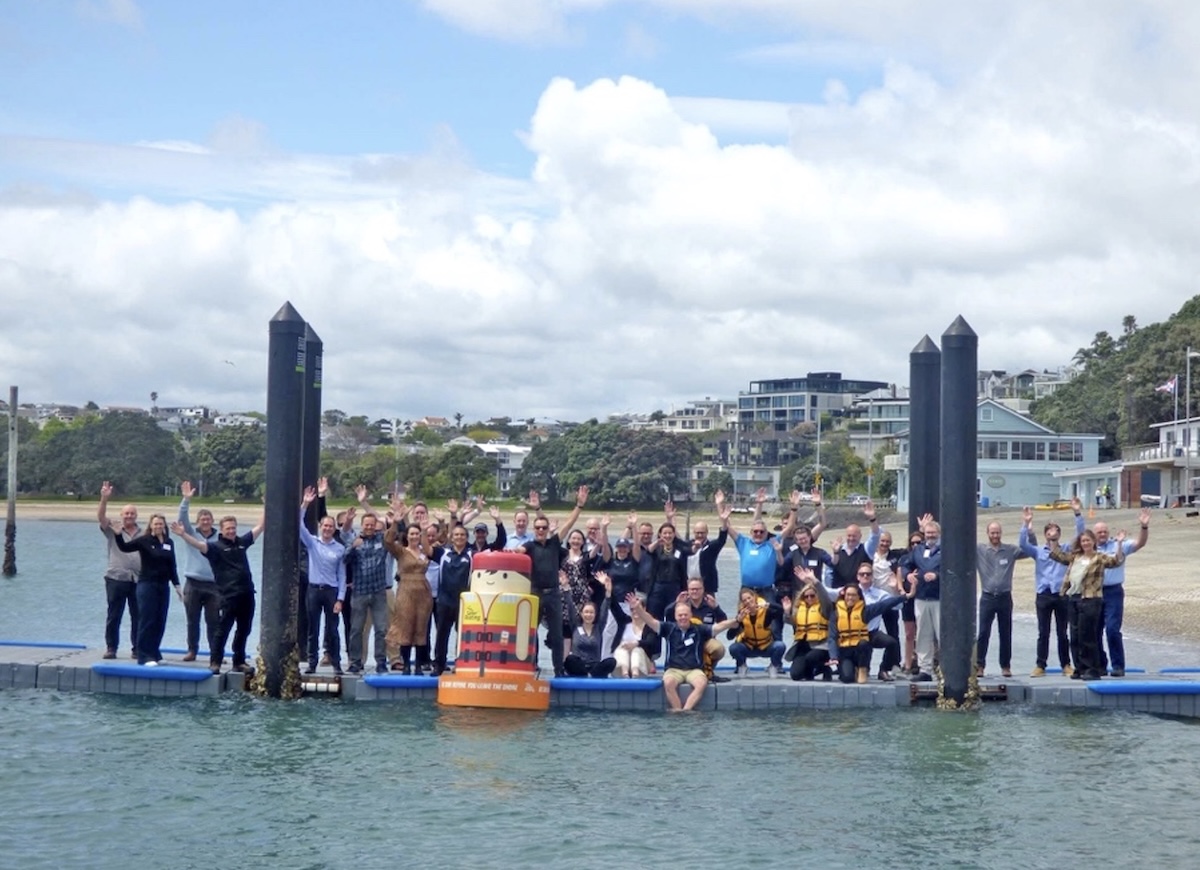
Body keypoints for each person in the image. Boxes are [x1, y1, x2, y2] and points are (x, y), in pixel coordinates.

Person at [172, 512, 265, 675]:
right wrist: (183, 534)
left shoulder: (242, 542)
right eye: (228, 528)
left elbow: (260, 527)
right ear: (221, 531)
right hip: (228, 596)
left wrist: (266, 505)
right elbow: (199, 545)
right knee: (222, 630)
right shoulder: (215, 547)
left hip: (247, 594)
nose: (231, 531)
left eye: (233, 528)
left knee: (244, 629)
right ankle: (215, 662)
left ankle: (239, 661)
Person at [519, 485, 589, 677]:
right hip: (535, 593)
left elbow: (569, 522)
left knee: (557, 635)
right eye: (538, 528)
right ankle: (530, 666)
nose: (541, 530)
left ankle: (559, 670)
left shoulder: (554, 543)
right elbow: (517, 553)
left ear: (548, 529)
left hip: (553, 594)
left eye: (544, 528)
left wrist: (579, 506)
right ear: (534, 530)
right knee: (530, 633)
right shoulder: (529, 545)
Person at [627, 593, 739, 711]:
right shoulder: (669, 628)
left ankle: (686, 710)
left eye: (686, 615)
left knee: (702, 683)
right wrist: (638, 608)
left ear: (690, 615)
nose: (683, 617)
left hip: (694, 670)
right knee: (668, 683)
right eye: (680, 615)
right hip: (674, 669)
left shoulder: (699, 629)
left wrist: (735, 620)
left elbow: (718, 627)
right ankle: (677, 710)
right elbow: (650, 621)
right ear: (675, 616)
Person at [1049, 529, 1126, 681]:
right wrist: (1053, 539)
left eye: (1088, 540)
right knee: (1075, 636)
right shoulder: (1075, 557)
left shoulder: (1099, 558)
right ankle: (1080, 667)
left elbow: (1116, 561)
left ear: (1093, 542)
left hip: (1090, 599)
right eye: (1083, 541)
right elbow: (1058, 555)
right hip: (1073, 598)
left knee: (1088, 636)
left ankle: (1092, 669)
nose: (1085, 543)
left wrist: (1119, 544)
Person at [1018, 505, 1085, 677]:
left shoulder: (1066, 550)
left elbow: (1080, 535)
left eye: (1055, 531)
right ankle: (1041, 665)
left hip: (1062, 595)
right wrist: (1026, 523)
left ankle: (1066, 664)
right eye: (1049, 531)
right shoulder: (1038, 551)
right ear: (1045, 534)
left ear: (1059, 534)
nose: (1052, 533)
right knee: (1043, 632)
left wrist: (1077, 514)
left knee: (1063, 632)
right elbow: (1022, 544)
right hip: (1043, 595)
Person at [112, 513, 183, 666]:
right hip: (147, 585)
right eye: (156, 524)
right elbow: (125, 548)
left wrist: (177, 586)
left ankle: (154, 652)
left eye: (161, 524)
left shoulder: (169, 542)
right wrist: (118, 535)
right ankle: (143, 655)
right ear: (150, 525)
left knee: (160, 620)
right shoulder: (144, 541)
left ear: (164, 526)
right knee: (147, 620)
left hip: (163, 586)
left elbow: (172, 566)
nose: (158, 527)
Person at [1093, 510, 1150, 677]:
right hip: (1094, 592)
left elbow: (1140, 543)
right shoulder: (1089, 547)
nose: (1102, 534)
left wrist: (1144, 526)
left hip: (1114, 592)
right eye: (1099, 532)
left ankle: (1118, 666)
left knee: (1112, 629)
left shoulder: (1119, 545)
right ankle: (1100, 665)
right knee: (1094, 631)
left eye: (1104, 531)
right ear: (1094, 534)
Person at [298, 487, 347, 676]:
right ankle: (312, 663)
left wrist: (340, 599)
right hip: (313, 590)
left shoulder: (339, 549)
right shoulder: (312, 543)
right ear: (320, 526)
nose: (327, 529)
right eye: (325, 526)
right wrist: (306, 504)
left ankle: (336, 663)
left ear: (334, 530)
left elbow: (342, 575)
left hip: (331, 592)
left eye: (330, 527)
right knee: (313, 628)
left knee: (332, 630)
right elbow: (299, 525)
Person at [975, 520, 1030, 678]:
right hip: (987, 597)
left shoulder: (1010, 550)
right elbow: (961, 544)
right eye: (992, 533)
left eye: (997, 532)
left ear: (1001, 533)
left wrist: (1027, 528)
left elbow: (1029, 550)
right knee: (983, 632)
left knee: (1005, 633)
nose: (995, 535)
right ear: (988, 533)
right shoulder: (980, 549)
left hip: (1005, 597)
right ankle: (980, 665)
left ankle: (1005, 666)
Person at [383, 506, 435, 674]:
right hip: (405, 591)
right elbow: (388, 541)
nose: (414, 536)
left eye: (417, 534)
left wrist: (426, 531)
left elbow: (435, 548)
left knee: (421, 628)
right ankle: (406, 664)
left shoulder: (424, 551)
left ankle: (419, 665)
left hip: (423, 592)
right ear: (407, 535)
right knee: (405, 627)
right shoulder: (401, 551)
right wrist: (395, 523)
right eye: (411, 534)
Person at [721, 487, 796, 603]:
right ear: (751, 532)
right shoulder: (743, 542)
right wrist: (719, 504)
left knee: (770, 620)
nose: (758, 534)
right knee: (743, 620)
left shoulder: (772, 543)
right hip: (746, 590)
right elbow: (727, 526)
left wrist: (794, 508)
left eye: (762, 532)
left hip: (766, 591)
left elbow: (790, 527)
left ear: (766, 533)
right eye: (755, 531)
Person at [828, 581, 908, 684]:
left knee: (866, 643)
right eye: (848, 595)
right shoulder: (836, 614)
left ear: (859, 597)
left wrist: (904, 597)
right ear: (844, 595)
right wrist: (833, 656)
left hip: (860, 650)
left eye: (853, 595)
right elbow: (832, 637)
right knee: (847, 678)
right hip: (845, 651)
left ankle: (863, 669)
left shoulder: (865, 611)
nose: (850, 598)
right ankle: (853, 670)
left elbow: (885, 604)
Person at [176, 481, 221, 663]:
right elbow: (182, 518)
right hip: (193, 583)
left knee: (214, 622)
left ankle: (215, 652)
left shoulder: (220, 538)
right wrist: (186, 500)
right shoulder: (191, 534)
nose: (205, 521)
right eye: (202, 519)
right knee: (192, 620)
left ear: (212, 521)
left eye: (208, 519)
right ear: (197, 522)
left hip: (214, 585)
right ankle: (192, 650)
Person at [343, 511, 391, 674]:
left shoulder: (382, 539)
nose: (369, 527)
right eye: (367, 524)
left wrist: (395, 519)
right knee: (356, 629)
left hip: (378, 591)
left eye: (372, 524)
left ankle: (381, 662)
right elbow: (344, 560)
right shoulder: (355, 539)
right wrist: (352, 547)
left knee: (381, 629)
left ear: (376, 525)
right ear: (362, 525)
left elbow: (394, 534)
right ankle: (355, 662)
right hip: (360, 592)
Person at [97, 481, 141, 659]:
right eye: (126, 513)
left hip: (137, 579)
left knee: (137, 616)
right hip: (116, 578)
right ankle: (111, 648)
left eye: (132, 513)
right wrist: (104, 498)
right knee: (114, 615)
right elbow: (101, 517)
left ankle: (137, 648)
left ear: (136, 516)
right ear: (121, 515)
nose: (129, 516)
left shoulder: (144, 533)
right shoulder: (113, 529)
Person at [781, 567, 834, 681]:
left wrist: (814, 581)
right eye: (806, 596)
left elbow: (824, 596)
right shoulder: (800, 608)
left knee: (811, 658)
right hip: (803, 645)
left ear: (817, 596)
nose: (809, 598)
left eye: (812, 596)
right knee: (795, 675)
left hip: (821, 645)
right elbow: (792, 622)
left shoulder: (824, 607)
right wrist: (787, 611)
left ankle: (824, 667)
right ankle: (814, 670)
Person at [674, 577, 731, 682]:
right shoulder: (683, 605)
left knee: (719, 649)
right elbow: (668, 618)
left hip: (706, 640)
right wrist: (676, 604)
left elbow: (723, 621)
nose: (695, 591)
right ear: (688, 590)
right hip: (688, 640)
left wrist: (716, 608)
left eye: (697, 589)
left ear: (703, 589)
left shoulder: (710, 604)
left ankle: (709, 671)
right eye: (692, 589)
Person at [433, 524, 473, 676]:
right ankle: (439, 665)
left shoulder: (471, 555)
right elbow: (427, 548)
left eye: (462, 535)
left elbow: (497, 545)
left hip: (463, 602)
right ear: (451, 537)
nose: (459, 537)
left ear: (467, 538)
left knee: (463, 635)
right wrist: (424, 531)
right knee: (442, 634)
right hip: (444, 601)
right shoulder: (443, 553)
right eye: (456, 535)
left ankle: (461, 663)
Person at [907, 514, 941, 682]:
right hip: (921, 598)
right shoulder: (918, 549)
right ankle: (925, 669)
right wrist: (908, 576)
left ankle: (946, 669)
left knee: (942, 634)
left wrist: (936, 575)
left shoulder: (946, 550)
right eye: (928, 533)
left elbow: (953, 570)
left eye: (933, 533)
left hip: (939, 599)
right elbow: (905, 564)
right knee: (923, 635)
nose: (930, 536)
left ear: (939, 533)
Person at [854, 563, 903, 681]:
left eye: (868, 574)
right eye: (862, 574)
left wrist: (894, 590)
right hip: (855, 633)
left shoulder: (880, 594)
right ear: (857, 576)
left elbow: (898, 606)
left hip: (873, 632)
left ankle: (883, 669)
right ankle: (861, 669)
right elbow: (831, 594)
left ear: (872, 577)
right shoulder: (850, 591)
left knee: (892, 643)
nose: (865, 576)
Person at [727, 587, 787, 677]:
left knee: (780, 646)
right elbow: (729, 636)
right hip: (749, 647)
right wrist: (737, 621)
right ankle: (742, 665)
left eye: (749, 598)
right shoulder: (742, 615)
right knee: (733, 648)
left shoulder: (766, 612)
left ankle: (773, 666)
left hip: (766, 647)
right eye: (744, 600)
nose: (747, 601)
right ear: (742, 603)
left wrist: (769, 605)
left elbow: (781, 611)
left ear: (754, 597)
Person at [827, 500, 882, 589]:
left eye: (854, 536)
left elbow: (875, 535)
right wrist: (835, 552)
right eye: (849, 536)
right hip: (841, 593)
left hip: (860, 593)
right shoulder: (838, 549)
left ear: (860, 536)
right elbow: (832, 566)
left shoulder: (866, 549)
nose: (851, 539)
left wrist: (872, 518)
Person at [563, 597, 618, 678]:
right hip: (579, 665)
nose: (588, 615)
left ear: (595, 615)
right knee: (570, 659)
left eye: (591, 612)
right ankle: (586, 675)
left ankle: (590, 675)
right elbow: (570, 609)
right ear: (581, 614)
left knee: (611, 661)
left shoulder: (598, 628)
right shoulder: (575, 626)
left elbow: (604, 611)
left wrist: (607, 596)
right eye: (586, 612)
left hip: (595, 667)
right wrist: (566, 591)